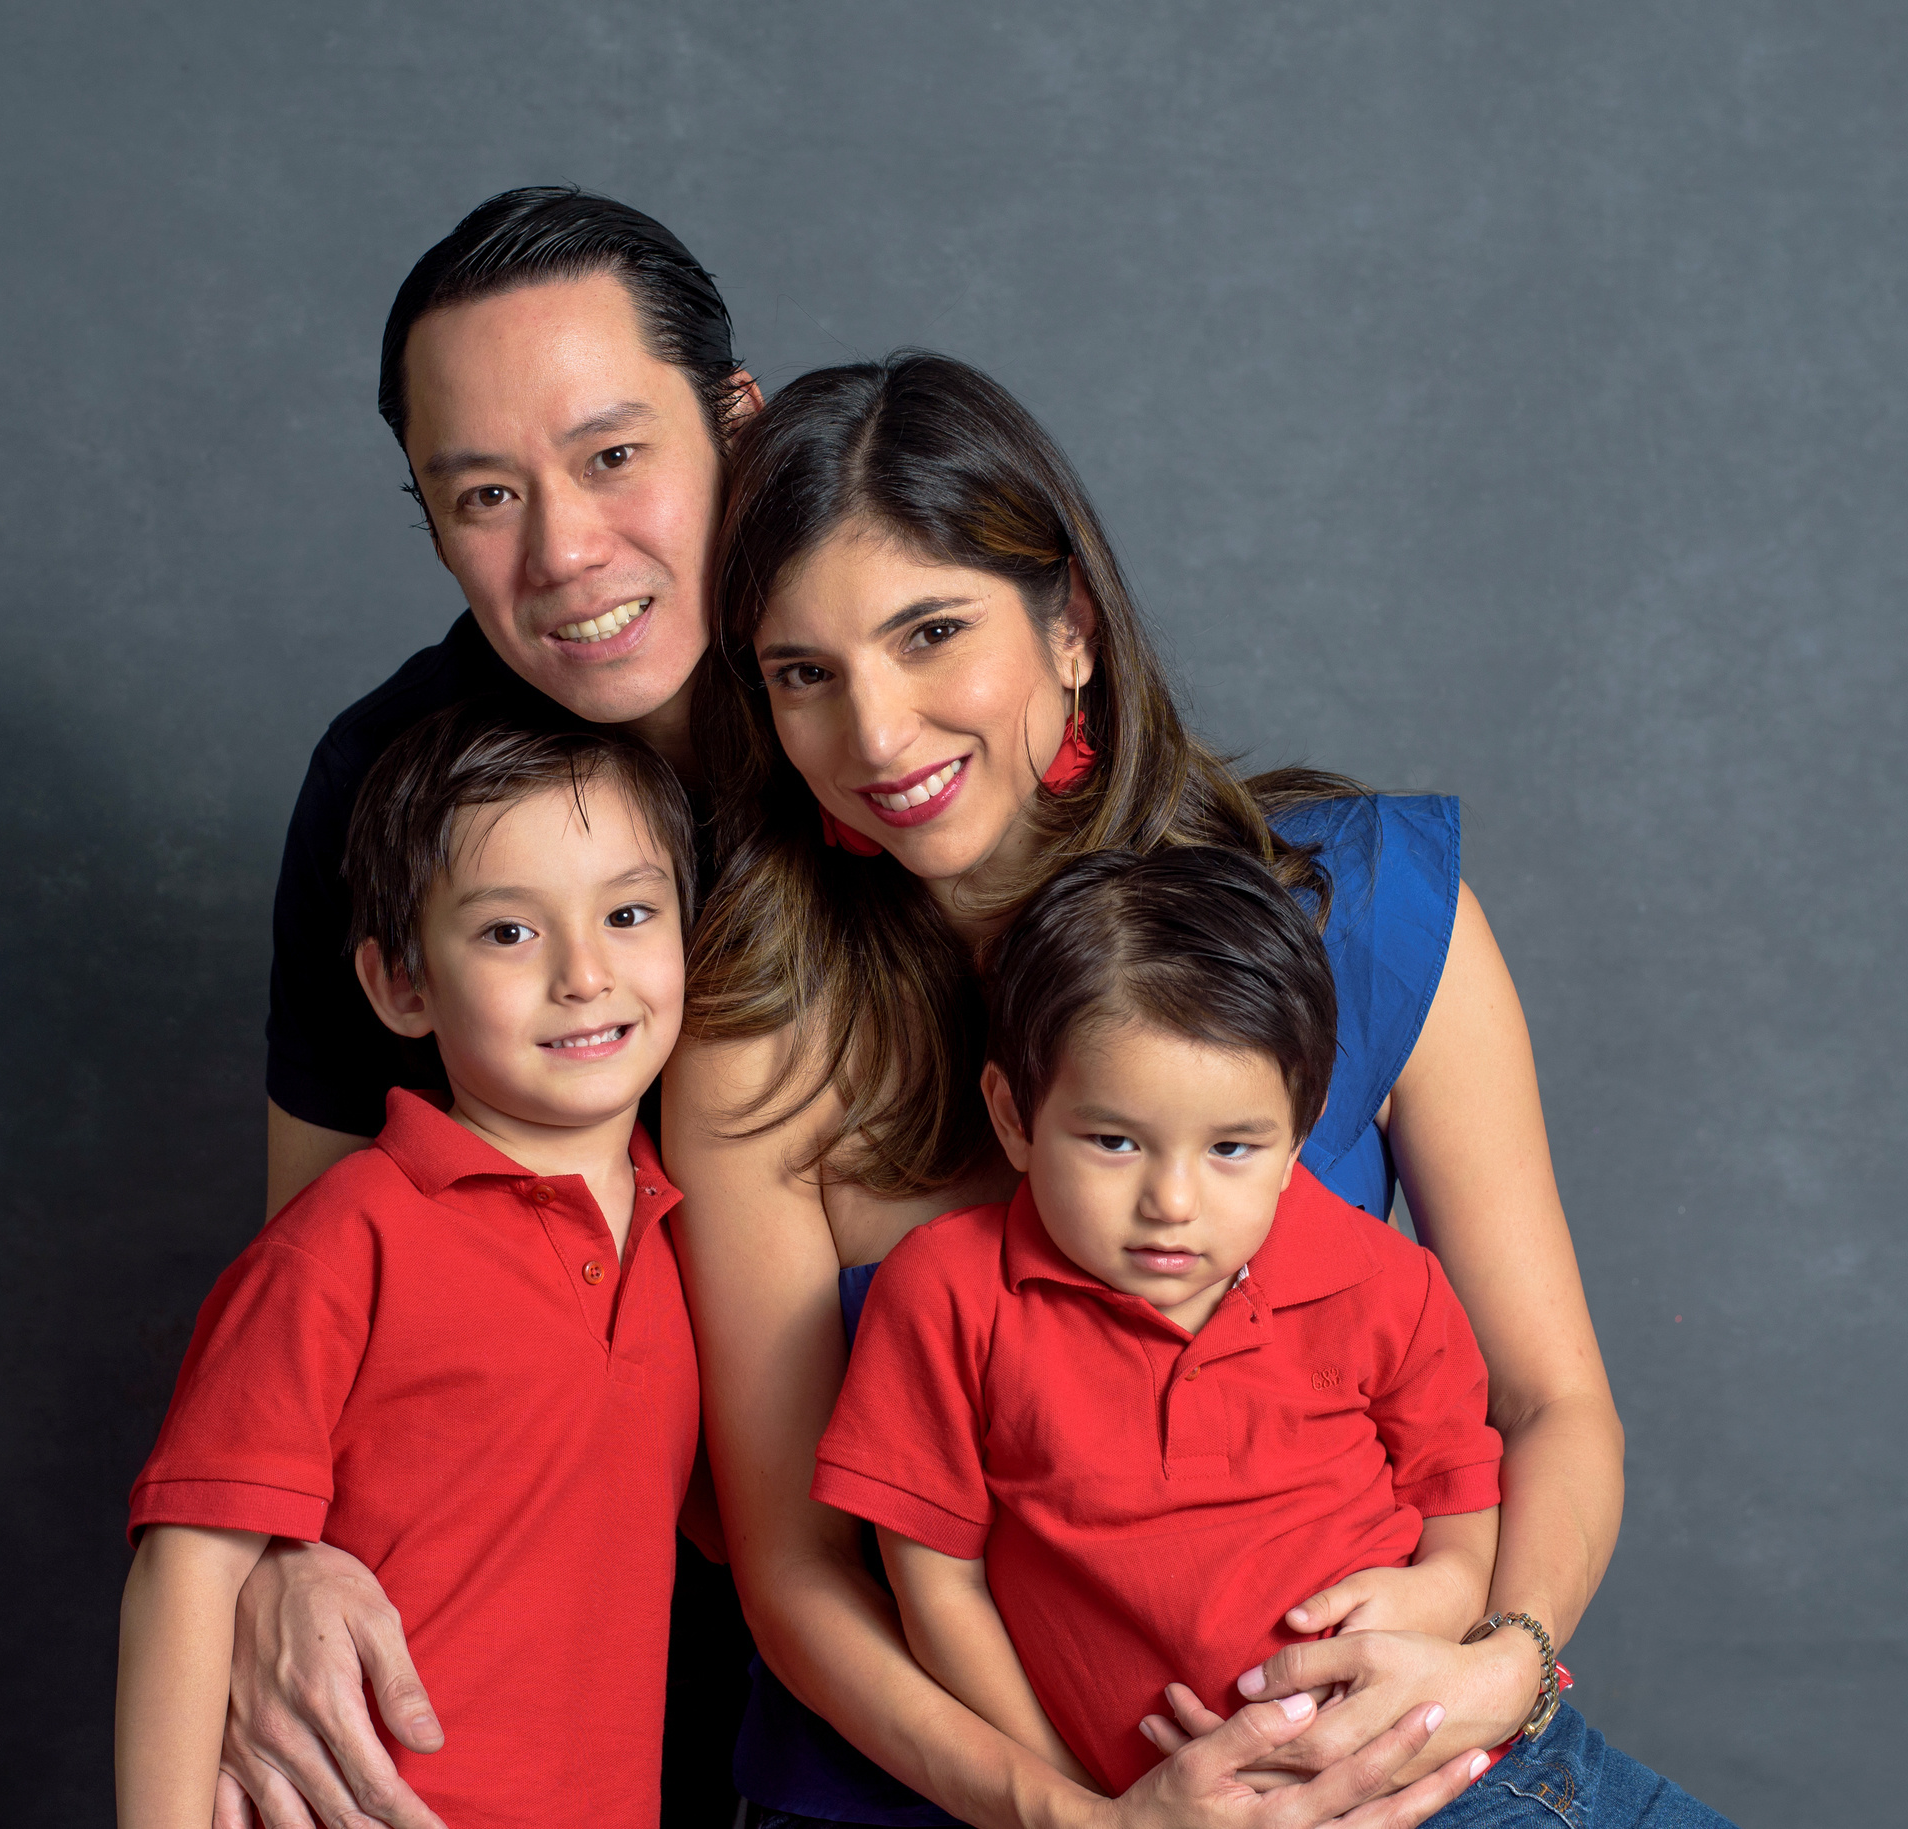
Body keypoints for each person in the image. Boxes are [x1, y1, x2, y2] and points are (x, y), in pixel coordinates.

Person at [226, 192, 1467, 1829]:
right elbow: (324, 1269)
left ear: (737, 421)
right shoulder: (412, 785)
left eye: (614, 456)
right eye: (485, 496)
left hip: (1204, 1649)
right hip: (645, 1587)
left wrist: (1490, 1643)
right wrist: (281, 1548)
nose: (566, 551)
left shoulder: (961, 739)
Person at [662, 352, 1624, 1827]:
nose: (877, 734)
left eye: (932, 633)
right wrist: (1092, 1822)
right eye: (806, 674)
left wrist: (1504, 1657)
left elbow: (1550, 1399)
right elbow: (795, 1572)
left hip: (1380, 1768)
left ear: (1073, 629)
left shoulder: (1364, 910)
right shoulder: (760, 1048)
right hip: (931, 1794)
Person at [817, 846, 1734, 1827]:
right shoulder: (948, 1296)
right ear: (1014, 1117)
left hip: (1467, 1773)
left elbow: (1457, 1489)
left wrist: (1447, 1588)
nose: (1172, 1201)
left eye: (1231, 1147)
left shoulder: (1381, 1279)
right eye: (1114, 1141)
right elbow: (937, 1585)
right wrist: (1088, 1805)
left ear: (1297, 1136)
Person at [117, 706, 701, 1829]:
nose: (586, 973)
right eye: (508, 932)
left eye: (629, 913)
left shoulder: (688, 1240)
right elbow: (187, 1570)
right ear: (401, 986)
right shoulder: (348, 1238)